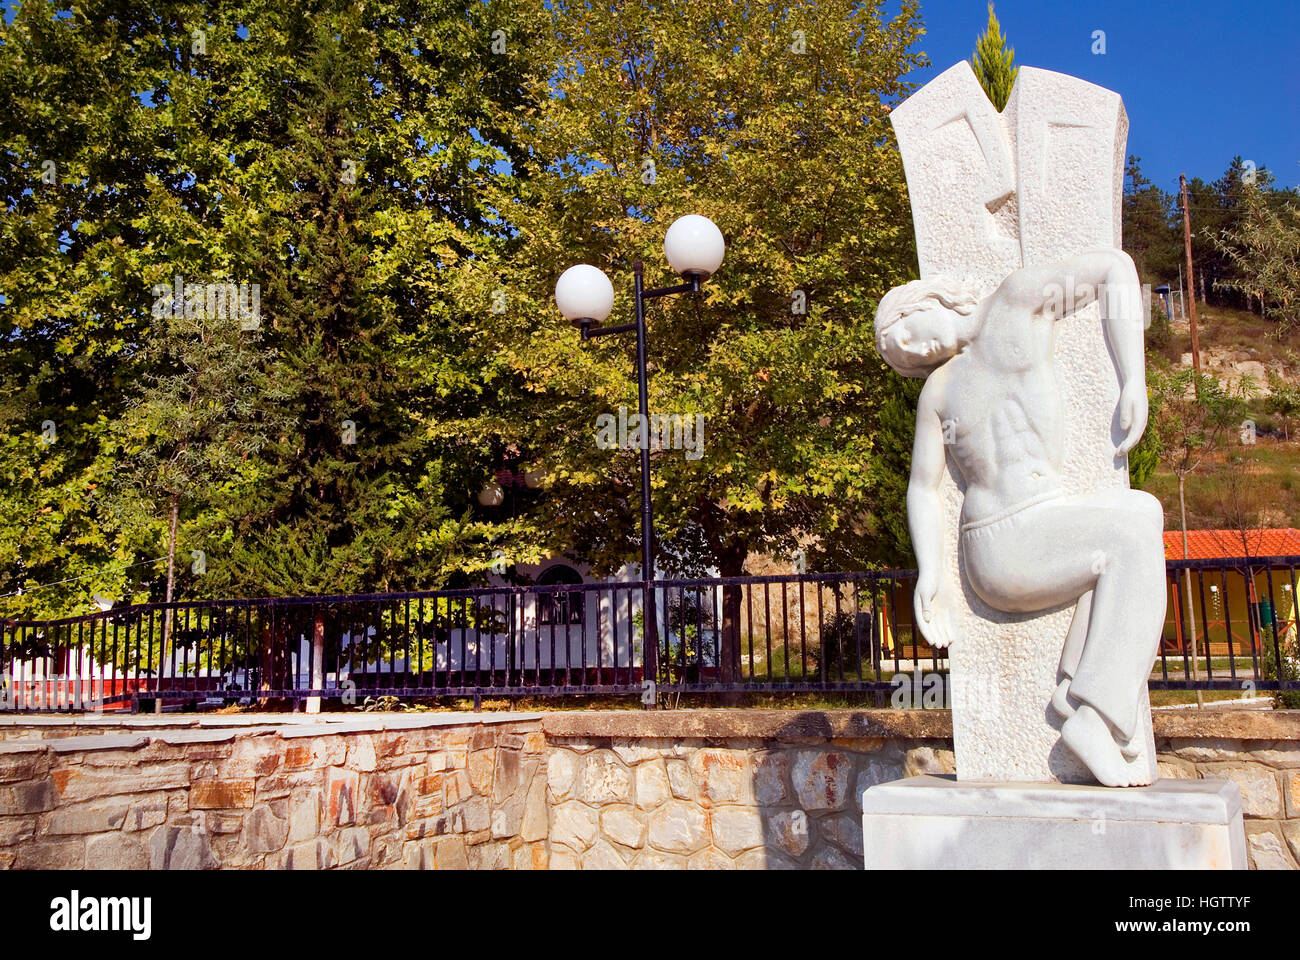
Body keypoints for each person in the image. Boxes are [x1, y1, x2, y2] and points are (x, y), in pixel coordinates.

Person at [876, 249, 1166, 786]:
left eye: (905, 335)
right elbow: (923, 488)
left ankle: (1077, 685)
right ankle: (1096, 717)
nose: (915, 352)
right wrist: (931, 575)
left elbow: (1114, 269)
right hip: (998, 546)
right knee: (1129, 536)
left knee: (1142, 513)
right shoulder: (937, 391)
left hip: (1044, 522)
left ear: (925, 300)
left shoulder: (1017, 299)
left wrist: (1134, 379)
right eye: (905, 357)